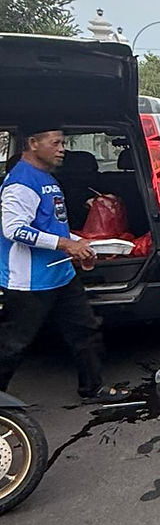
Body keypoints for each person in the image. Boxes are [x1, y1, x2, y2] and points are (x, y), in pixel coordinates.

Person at [0, 124, 129, 401]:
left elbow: (52, 226)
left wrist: (80, 244)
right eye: (56, 143)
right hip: (29, 280)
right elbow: (14, 230)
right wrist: (65, 244)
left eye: (63, 143)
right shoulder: (21, 183)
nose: (62, 150)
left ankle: (93, 388)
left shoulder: (46, 178)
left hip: (61, 274)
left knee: (85, 331)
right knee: (14, 345)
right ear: (33, 143)